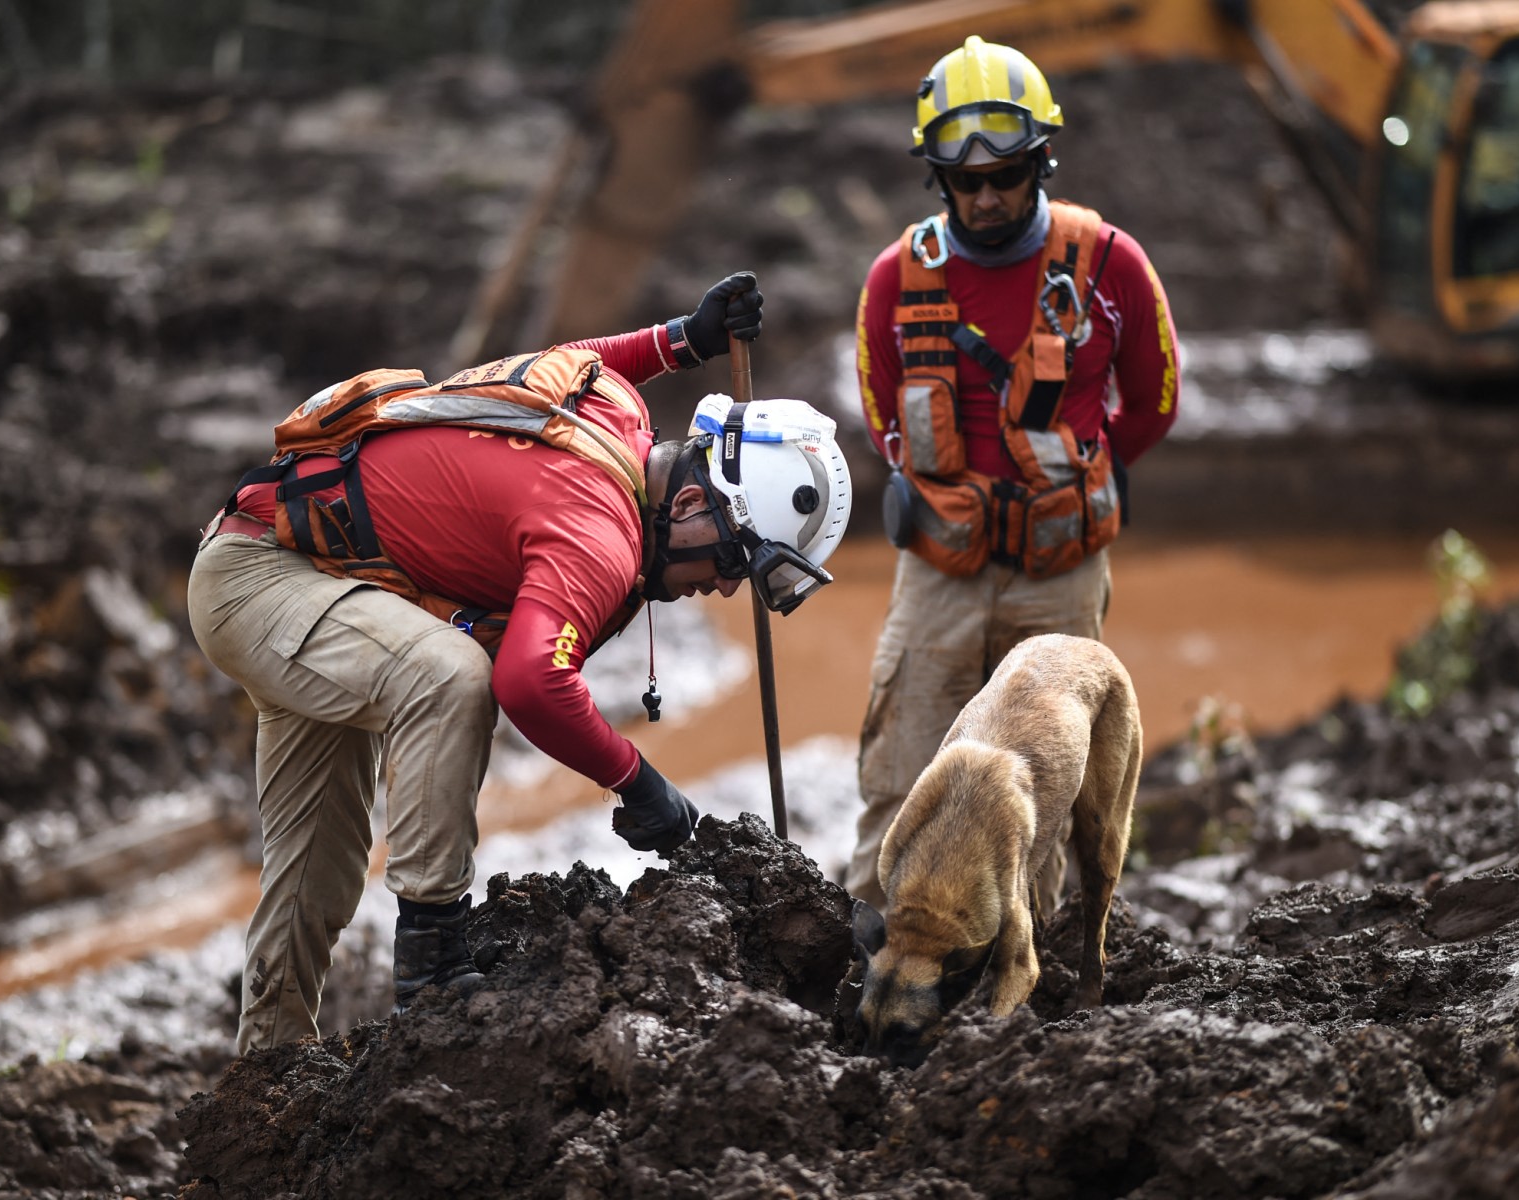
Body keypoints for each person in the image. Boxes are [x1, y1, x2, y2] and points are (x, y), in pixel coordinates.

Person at [188, 272, 853, 1053]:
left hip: (328, 585)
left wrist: (681, 341)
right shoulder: (598, 536)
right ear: (686, 506)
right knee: (448, 676)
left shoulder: (616, 412)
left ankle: (264, 1073)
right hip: (261, 579)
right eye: (734, 560)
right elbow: (529, 682)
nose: (722, 585)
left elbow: (580, 359)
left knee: (315, 877)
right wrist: (640, 785)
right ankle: (432, 951)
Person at [845, 37, 1181, 906]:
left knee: (1058, 784)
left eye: (1009, 176)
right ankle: (877, 946)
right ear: (938, 179)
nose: (987, 198)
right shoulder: (893, 280)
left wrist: (1078, 483)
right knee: (900, 765)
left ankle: (1030, 963)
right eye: (967, 183)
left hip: (1060, 569)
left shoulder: (1112, 267)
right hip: (939, 568)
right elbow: (882, 412)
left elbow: (1151, 404)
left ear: (1042, 162)